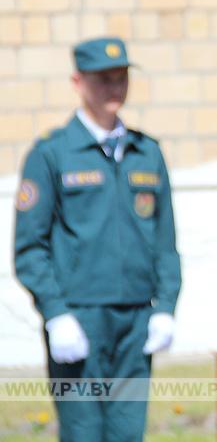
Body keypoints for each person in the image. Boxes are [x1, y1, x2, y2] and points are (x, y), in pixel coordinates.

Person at [14, 36, 181, 442]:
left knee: (127, 433)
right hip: (80, 318)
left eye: (121, 77)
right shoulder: (52, 153)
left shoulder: (147, 152)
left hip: (135, 318)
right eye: (102, 79)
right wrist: (56, 313)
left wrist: (166, 306)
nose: (114, 88)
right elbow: (29, 248)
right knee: (83, 433)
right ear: (77, 81)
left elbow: (164, 241)